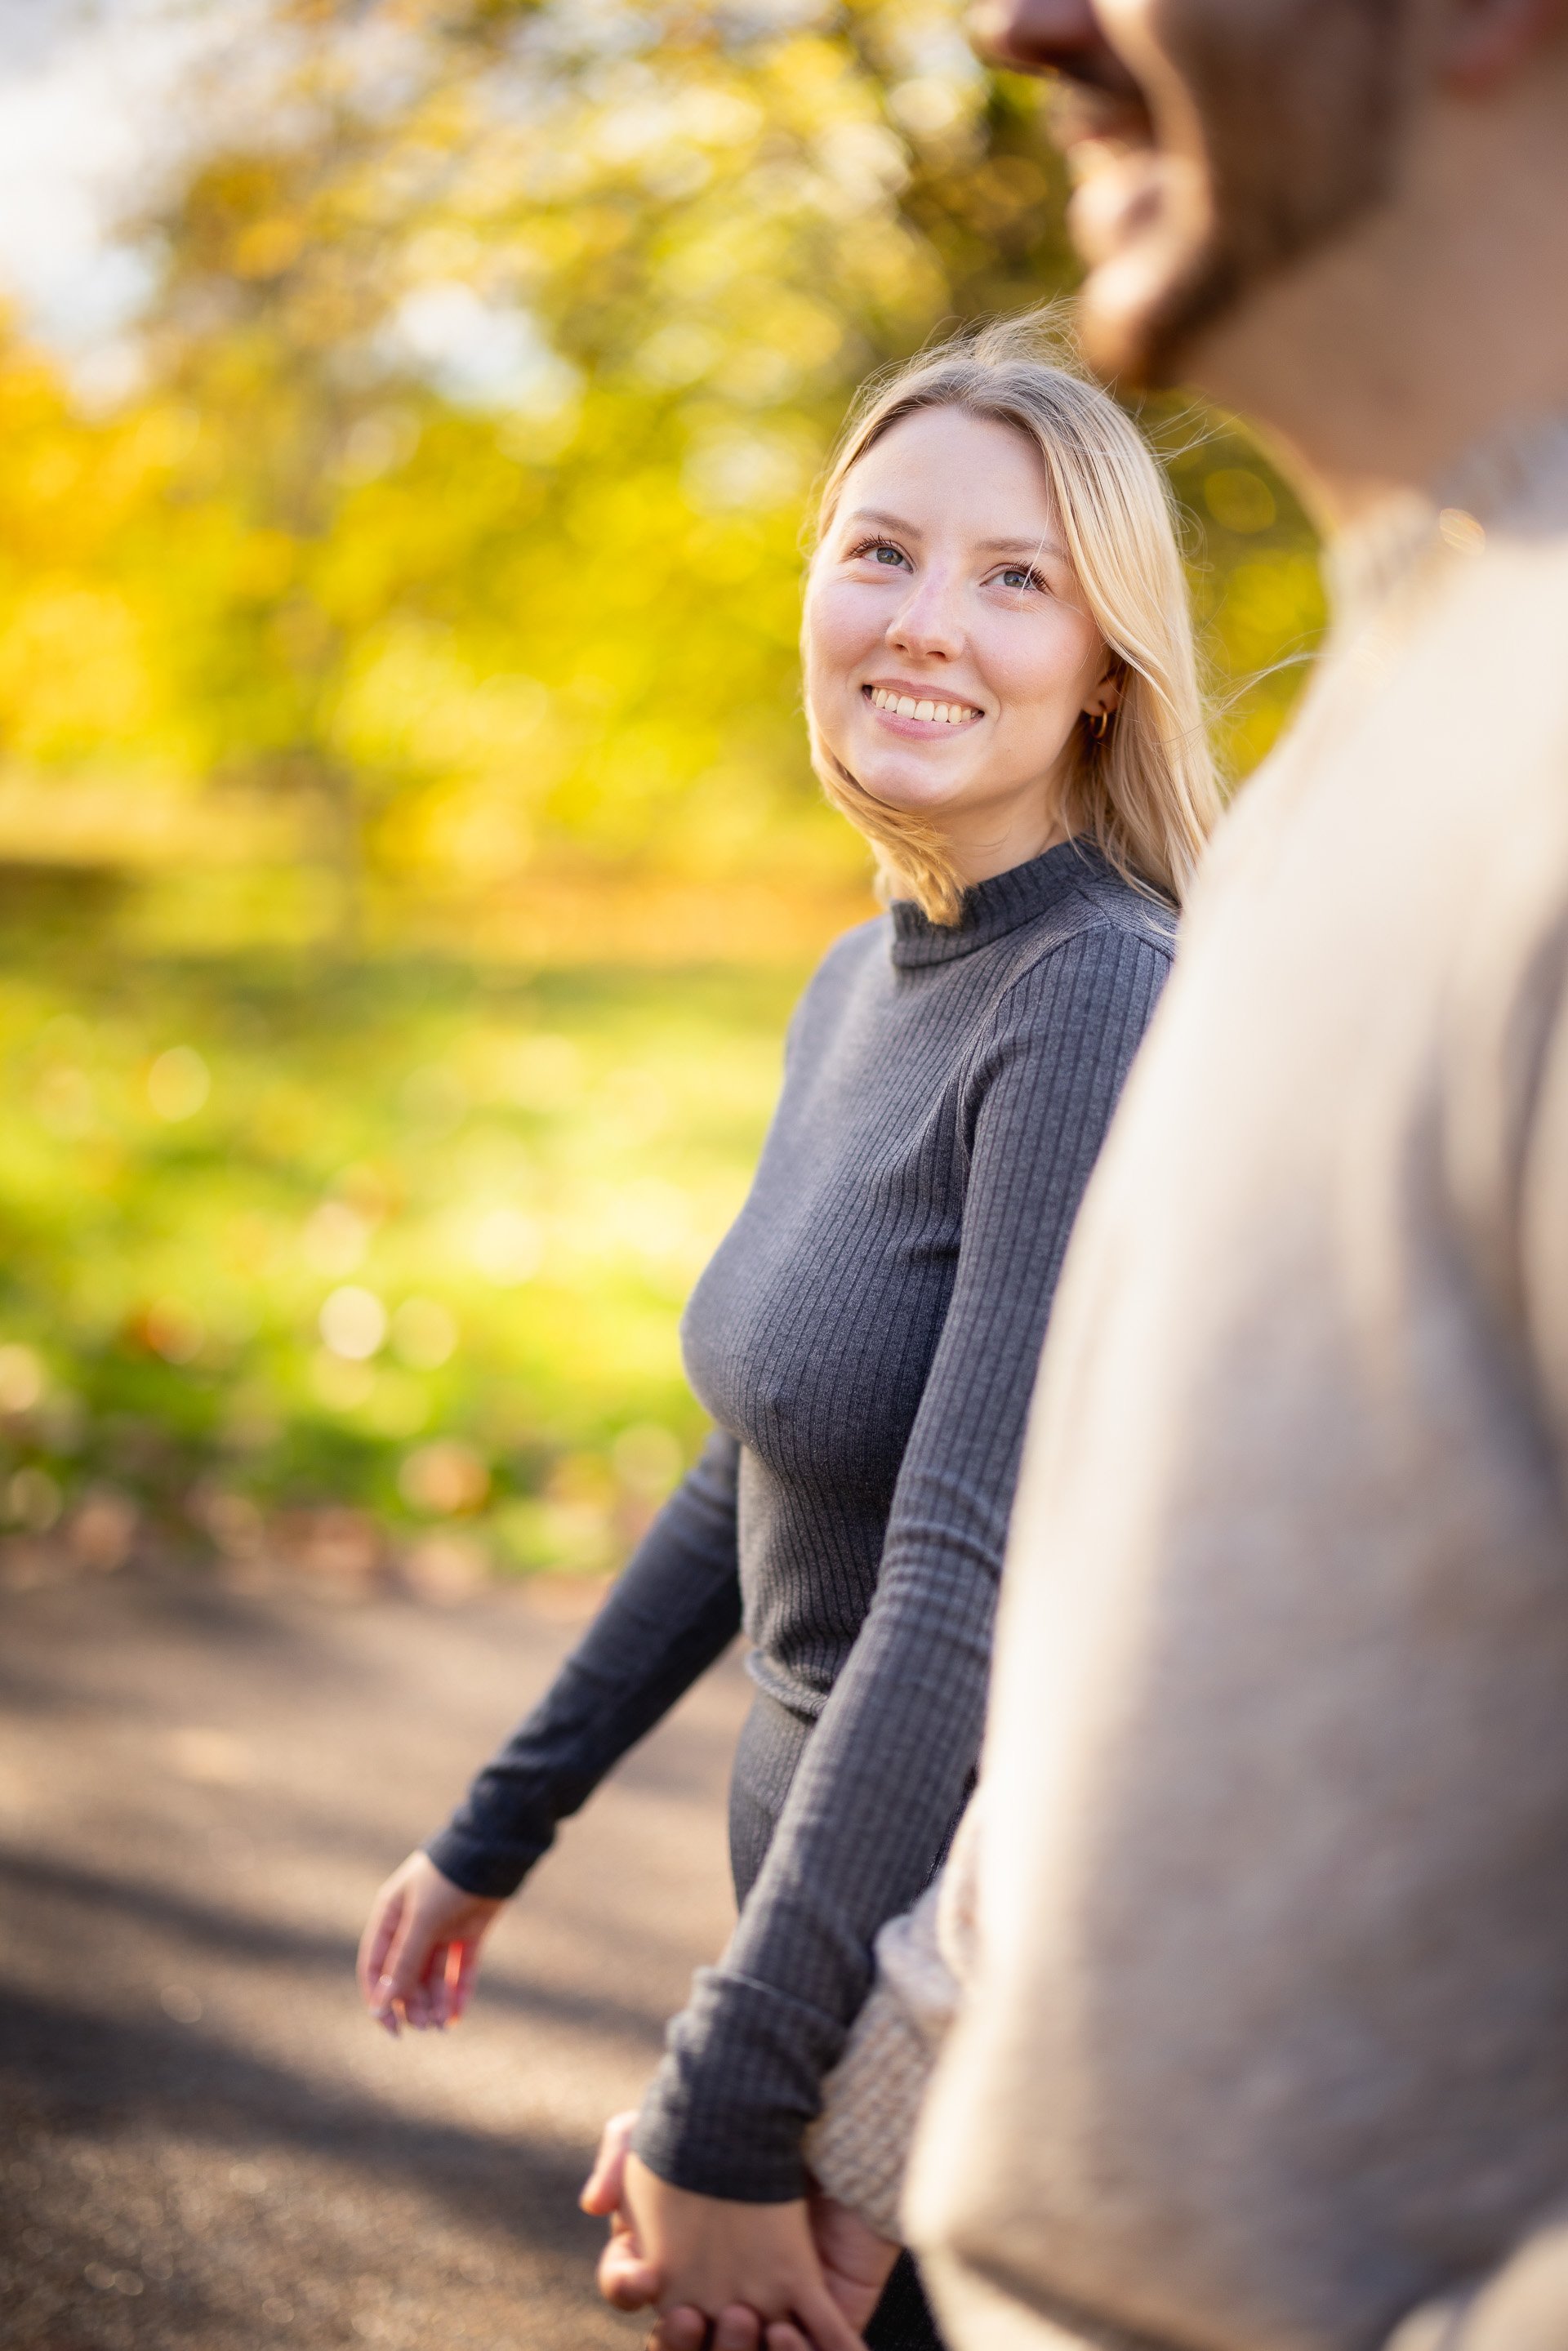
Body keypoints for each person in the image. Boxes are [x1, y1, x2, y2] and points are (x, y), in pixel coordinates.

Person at [728, 6, 1568, 2351]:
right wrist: (874, 2133)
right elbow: (1138, 1631)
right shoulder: (1389, 724)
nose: (1023, 22)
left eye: (1016, 580)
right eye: (884, 552)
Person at [356, 315, 1218, 2351]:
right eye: (882, 551)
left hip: (960, 2002)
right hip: (818, 1936)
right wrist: (501, 1823)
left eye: (1018, 578)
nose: (928, 622)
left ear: (1109, 662)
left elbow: (959, 1583)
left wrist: (739, 2089)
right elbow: (759, 1450)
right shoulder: (870, 975)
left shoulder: (1093, 999)